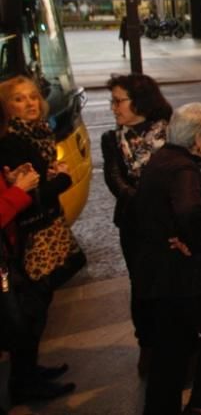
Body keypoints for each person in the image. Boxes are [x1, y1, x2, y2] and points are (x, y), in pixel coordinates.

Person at [134, 103, 201, 415]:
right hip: (183, 278)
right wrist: (198, 240)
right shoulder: (183, 169)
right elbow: (190, 211)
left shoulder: (162, 159)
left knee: (170, 351)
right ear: (199, 138)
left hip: (160, 276)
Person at [0, 77, 75, 403]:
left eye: (33, 97)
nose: (30, 103)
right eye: (19, 99)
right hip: (32, 239)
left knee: (36, 308)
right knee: (30, 311)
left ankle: (28, 372)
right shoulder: (12, 141)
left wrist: (51, 174)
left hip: (44, 231)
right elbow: (29, 195)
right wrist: (62, 180)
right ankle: (24, 381)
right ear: (5, 106)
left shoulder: (37, 131)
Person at [100, 74, 173, 373]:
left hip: (171, 223)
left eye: (119, 100)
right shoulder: (112, 139)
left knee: (173, 286)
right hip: (135, 224)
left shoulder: (172, 132)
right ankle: (148, 345)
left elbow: (192, 169)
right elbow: (114, 180)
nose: (113, 107)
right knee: (142, 287)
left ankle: (177, 344)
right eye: (112, 101)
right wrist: (145, 202)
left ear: (141, 101)